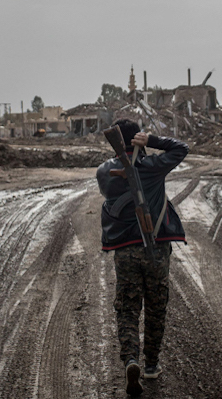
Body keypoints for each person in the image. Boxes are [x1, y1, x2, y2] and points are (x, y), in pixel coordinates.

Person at [96, 119, 189, 396]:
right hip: (156, 248)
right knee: (156, 307)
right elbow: (181, 149)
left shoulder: (105, 172)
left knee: (127, 307)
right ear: (136, 138)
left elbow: (112, 178)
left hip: (125, 251)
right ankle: (151, 366)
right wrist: (151, 141)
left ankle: (131, 360)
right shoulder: (150, 168)